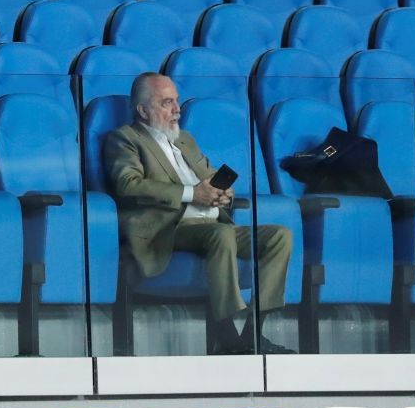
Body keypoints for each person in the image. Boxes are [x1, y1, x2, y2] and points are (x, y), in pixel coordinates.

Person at [103, 72, 294, 355]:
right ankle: (226, 334)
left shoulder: (185, 140)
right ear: (143, 110)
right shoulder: (125, 138)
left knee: (279, 235)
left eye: (177, 102)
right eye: (167, 103)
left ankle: (253, 333)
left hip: (210, 221)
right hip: (169, 227)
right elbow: (127, 184)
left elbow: (209, 176)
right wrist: (193, 194)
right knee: (221, 235)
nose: (177, 110)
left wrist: (222, 193)